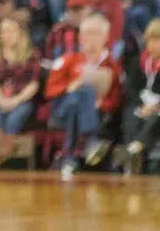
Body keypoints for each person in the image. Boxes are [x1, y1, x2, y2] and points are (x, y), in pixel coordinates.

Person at [45, 14, 121, 179]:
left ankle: (70, 157)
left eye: (96, 33)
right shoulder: (68, 59)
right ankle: (90, 142)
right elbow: (50, 90)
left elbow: (115, 98)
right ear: (80, 36)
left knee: (77, 102)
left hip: (93, 111)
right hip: (62, 108)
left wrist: (101, 103)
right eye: (87, 33)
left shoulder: (113, 65)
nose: (90, 38)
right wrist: (70, 87)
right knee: (82, 92)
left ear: (105, 37)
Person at [117, 18, 160, 176]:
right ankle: (132, 156)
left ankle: (135, 149)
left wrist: (159, 104)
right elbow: (131, 88)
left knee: (155, 120)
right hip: (142, 104)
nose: (157, 45)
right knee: (130, 117)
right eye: (153, 40)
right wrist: (141, 105)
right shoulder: (137, 62)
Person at [0, 14, 41, 170]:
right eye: (3, 32)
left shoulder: (31, 55)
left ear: (20, 33)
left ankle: (2, 154)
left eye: (11, 31)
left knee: (15, 117)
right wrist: (3, 101)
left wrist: (15, 101)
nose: (6, 35)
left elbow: (33, 85)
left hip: (22, 99)